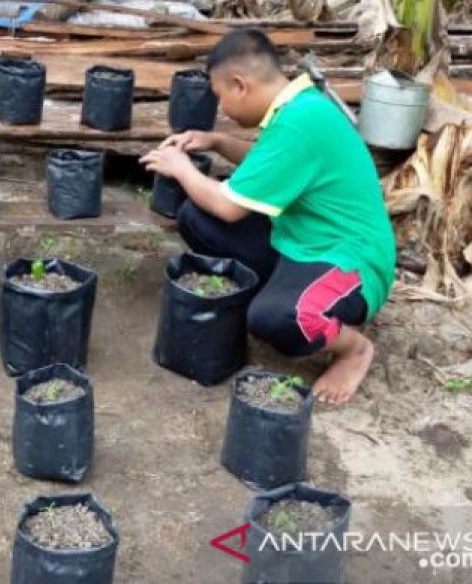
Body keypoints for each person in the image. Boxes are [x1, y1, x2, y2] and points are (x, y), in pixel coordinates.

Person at [141, 28, 395, 404]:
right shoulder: (298, 107)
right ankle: (279, 292)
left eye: (219, 95)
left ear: (240, 86)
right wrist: (217, 142)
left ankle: (353, 349)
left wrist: (181, 168)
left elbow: (230, 205)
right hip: (299, 240)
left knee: (277, 320)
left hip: (348, 260)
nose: (221, 107)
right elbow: (271, 165)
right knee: (196, 216)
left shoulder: (300, 121)